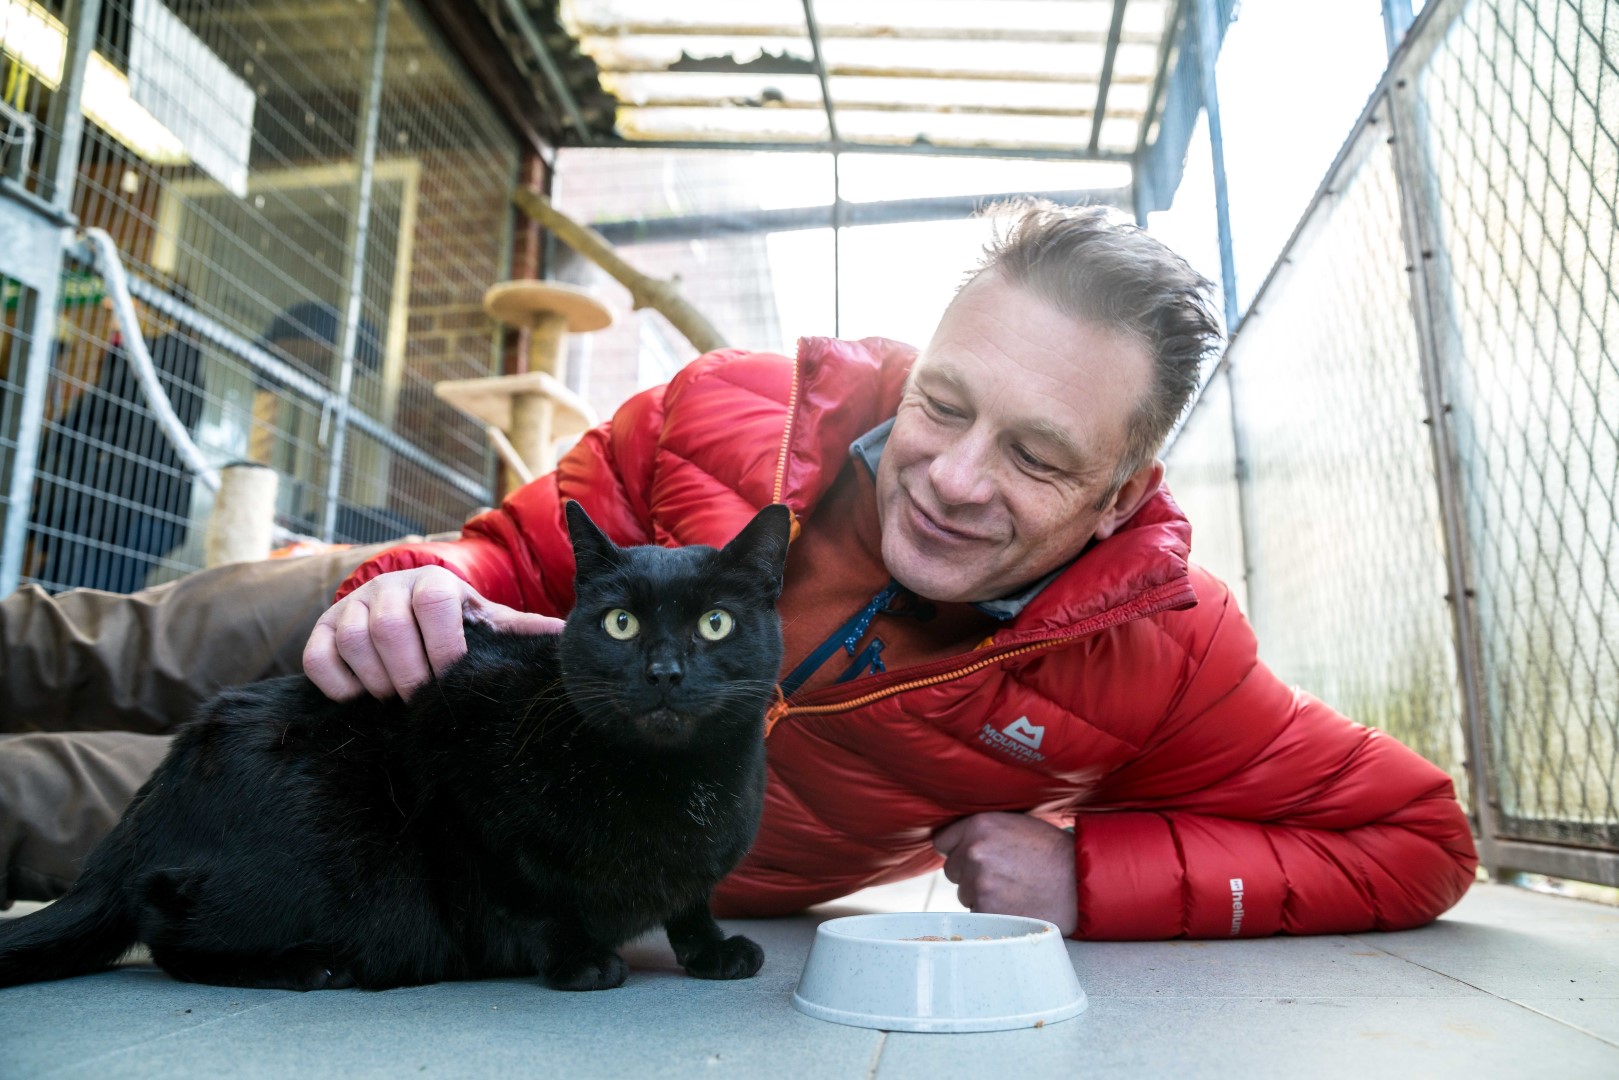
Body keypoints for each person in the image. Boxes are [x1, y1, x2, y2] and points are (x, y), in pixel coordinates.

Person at [0, 204, 1478, 935]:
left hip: (460, 823)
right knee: (95, 645)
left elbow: (1417, 840)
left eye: (1035, 458)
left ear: (1120, 494)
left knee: (72, 809)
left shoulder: (1161, 650)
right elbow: (521, 544)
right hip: (437, 643)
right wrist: (421, 572)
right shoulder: (740, 407)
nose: (955, 481)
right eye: (945, 407)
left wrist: (1094, 874)